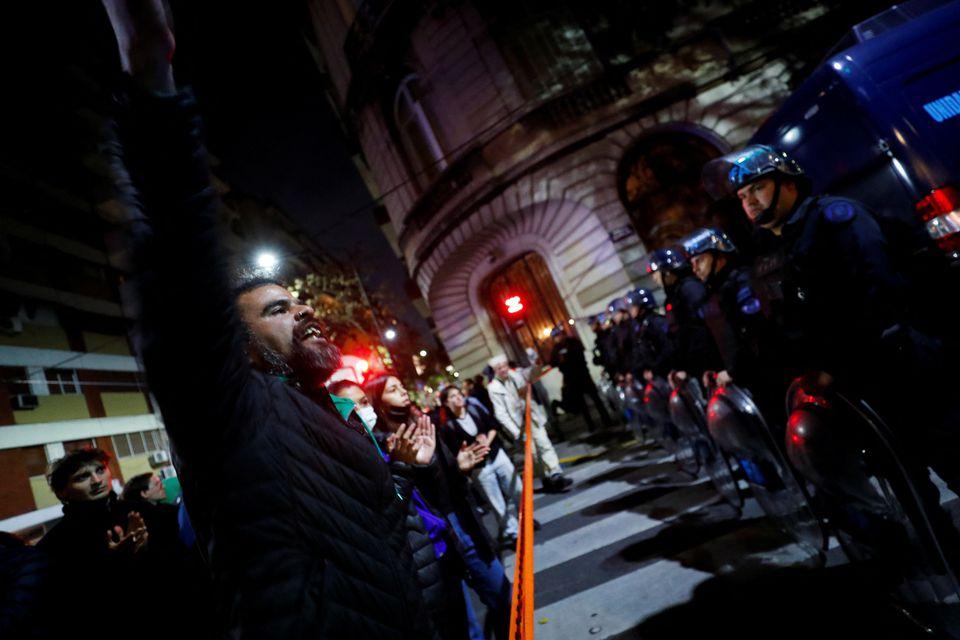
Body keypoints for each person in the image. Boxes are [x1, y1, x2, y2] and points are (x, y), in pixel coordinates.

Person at [103, 3, 431, 636]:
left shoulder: (318, 411)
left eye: (298, 301)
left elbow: (368, 540)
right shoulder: (237, 412)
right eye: (277, 310)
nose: (305, 312)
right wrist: (152, 82)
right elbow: (180, 267)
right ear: (236, 348)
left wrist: (407, 472)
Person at [702, 143, 960, 565]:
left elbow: (879, 296)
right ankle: (947, 564)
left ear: (787, 184)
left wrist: (832, 366)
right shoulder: (773, 250)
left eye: (757, 189)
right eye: (742, 197)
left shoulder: (835, 218)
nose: (748, 202)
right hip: (855, 388)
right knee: (907, 488)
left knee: (950, 456)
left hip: (901, 368)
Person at [366, 376, 513, 640]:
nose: (402, 391)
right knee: (465, 629)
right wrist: (405, 463)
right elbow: (401, 500)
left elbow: (445, 482)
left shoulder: (424, 424)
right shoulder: (383, 444)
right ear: (379, 402)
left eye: (401, 385)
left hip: (461, 523)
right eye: (392, 389)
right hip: (433, 543)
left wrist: (459, 467)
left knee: (506, 599)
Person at [439, 385, 520, 545]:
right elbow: (456, 453)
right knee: (496, 502)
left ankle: (525, 517)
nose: (459, 397)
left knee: (517, 488)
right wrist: (473, 449)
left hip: (497, 455)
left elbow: (493, 426)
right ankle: (513, 531)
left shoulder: (475, 409)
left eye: (459, 394)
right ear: (446, 403)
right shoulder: (448, 427)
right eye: (453, 396)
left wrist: (486, 442)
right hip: (479, 469)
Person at [486, 354, 572, 493]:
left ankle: (556, 473)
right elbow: (501, 414)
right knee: (533, 454)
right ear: (494, 370)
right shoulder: (493, 388)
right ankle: (546, 478)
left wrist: (535, 363)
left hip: (532, 418)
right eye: (499, 368)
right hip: (519, 426)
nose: (503, 369)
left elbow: (533, 373)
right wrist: (515, 432)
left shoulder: (516, 375)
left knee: (545, 444)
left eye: (504, 365)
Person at [646, 246, 723, 384]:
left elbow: (704, 328)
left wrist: (709, 366)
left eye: (655, 273)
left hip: (711, 366)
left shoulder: (689, 289)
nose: (654, 278)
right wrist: (679, 368)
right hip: (696, 368)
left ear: (667, 272)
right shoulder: (674, 296)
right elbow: (678, 338)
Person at [548, 325, 613, 431]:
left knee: (596, 398)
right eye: (555, 337)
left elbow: (579, 355)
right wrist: (560, 361)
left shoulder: (573, 342)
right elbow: (552, 362)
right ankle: (591, 425)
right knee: (582, 405)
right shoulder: (556, 349)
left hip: (582, 374)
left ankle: (606, 420)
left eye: (558, 336)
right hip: (571, 379)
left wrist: (566, 358)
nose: (558, 339)